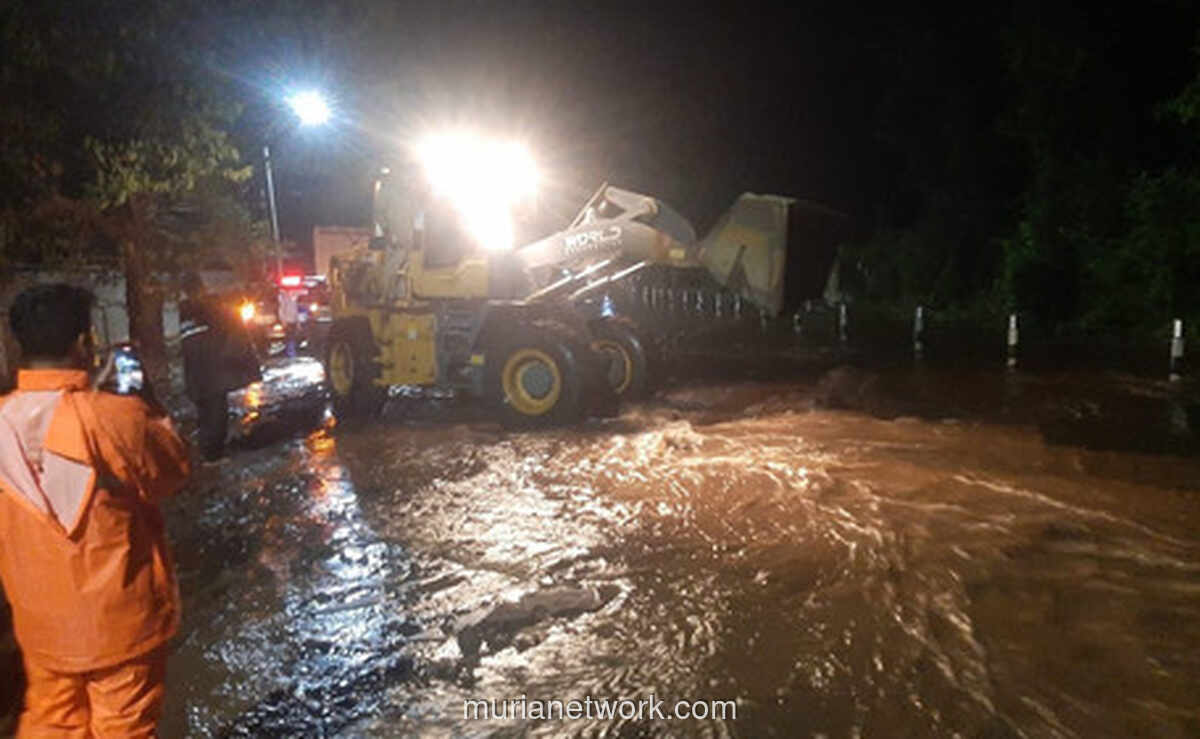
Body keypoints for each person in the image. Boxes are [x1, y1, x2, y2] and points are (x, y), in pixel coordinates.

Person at [0, 283, 190, 737]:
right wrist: (146, 402)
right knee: (123, 727)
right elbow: (174, 469)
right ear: (85, 344)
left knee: (50, 721)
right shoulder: (118, 418)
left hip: (41, 627)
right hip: (121, 629)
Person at [179, 273, 262, 461]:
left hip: (196, 375)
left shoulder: (184, 313)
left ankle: (207, 452)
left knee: (205, 414)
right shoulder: (207, 309)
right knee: (216, 414)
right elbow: (231, 321)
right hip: (211, 374)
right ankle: (212, 456)